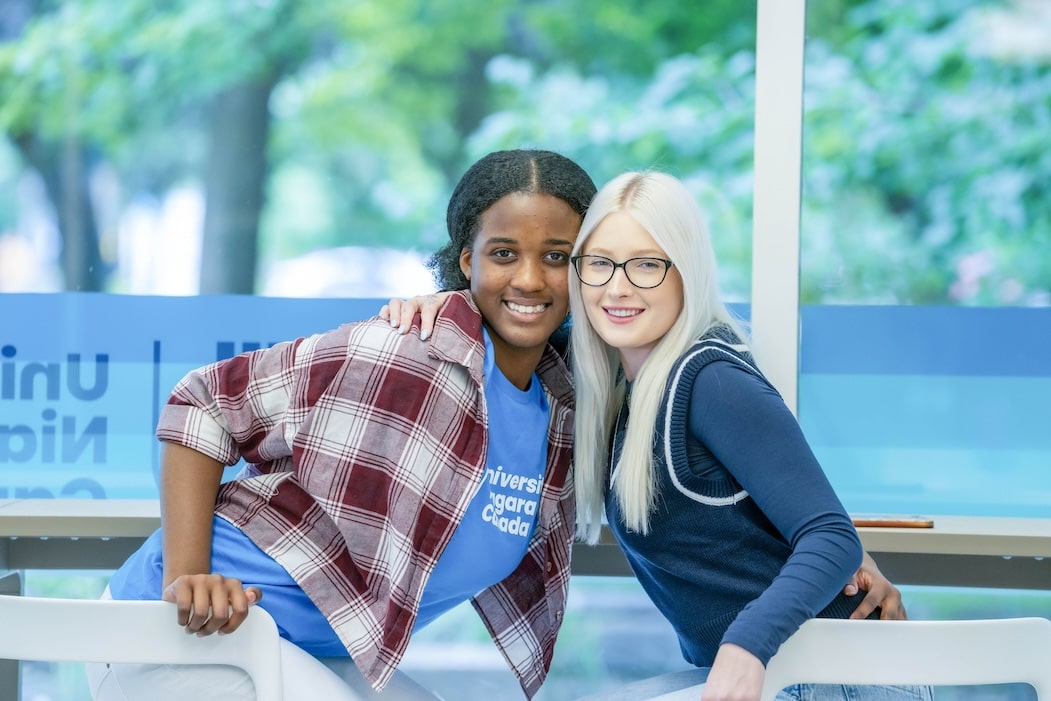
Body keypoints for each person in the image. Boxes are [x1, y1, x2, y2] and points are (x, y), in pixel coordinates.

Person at [86, 148, 598, 701]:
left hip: (301, 651)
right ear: (467, 262)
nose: (529, 278)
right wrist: (187, 580)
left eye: (555, 256)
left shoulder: (563, 405)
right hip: (180, 632)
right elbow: (203, 401)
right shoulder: (406, 354)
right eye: (503, 253)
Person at [566, 171, 931, 700]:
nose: (618, 286)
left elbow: (831, 537)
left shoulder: (711, 379)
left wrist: (745, 646)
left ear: (685, 274)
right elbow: (520, 324)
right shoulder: (624, 389)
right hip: (792, 671)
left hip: (831, 680)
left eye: (647, 264)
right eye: (600, 263)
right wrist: (447, 306)